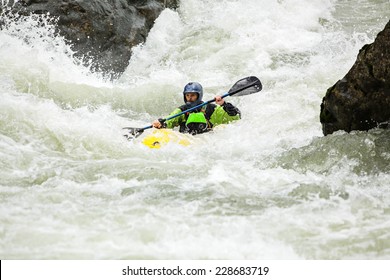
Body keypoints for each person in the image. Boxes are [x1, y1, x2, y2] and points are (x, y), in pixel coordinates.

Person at [152, 82, 241, 135]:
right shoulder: (182, 110)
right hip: (186, 140)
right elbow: (170, 120)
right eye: (187, 95)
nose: (190, 98)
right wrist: (162, 123)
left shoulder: (211, 109)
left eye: (193, 95)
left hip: (205, 140)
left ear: (199, 96)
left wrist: (223, 104)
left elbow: (235, 117)